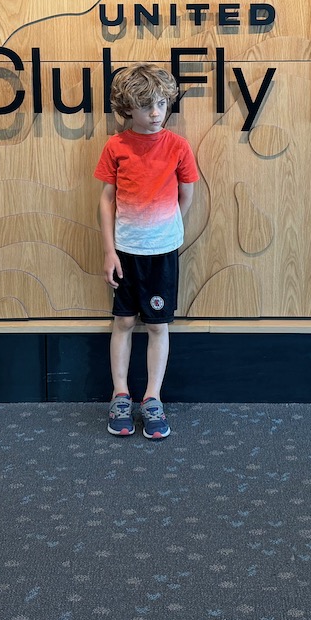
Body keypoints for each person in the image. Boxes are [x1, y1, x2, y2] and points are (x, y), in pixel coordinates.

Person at [94, 64, 198, 439]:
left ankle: (152, 398)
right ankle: (120, 394)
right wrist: (109, 251)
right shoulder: (116, 146)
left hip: (162, 252)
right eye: (145, 106)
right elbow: (106, 200)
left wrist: (166, 227)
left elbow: (186, 194)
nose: (155, 113)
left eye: (160, 104)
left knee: (157, 324)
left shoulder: (177, 146)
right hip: (125, 252)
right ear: (127, 109)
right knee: (122, 322)